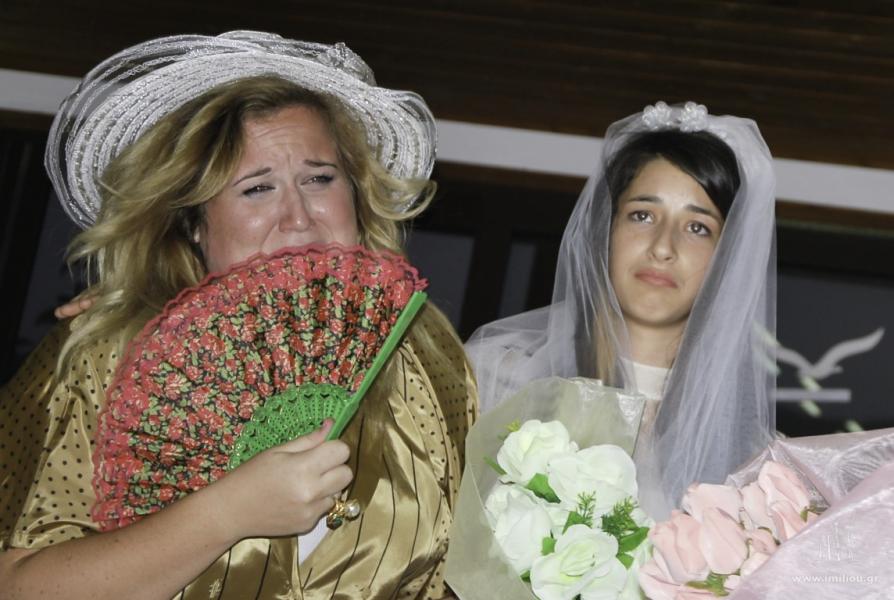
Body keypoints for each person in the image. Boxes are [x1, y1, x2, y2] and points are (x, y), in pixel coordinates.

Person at [0, 31, 477, 599]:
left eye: (319, 178)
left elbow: (455, 576)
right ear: (192, 222)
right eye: (257, 189)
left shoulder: (424, 357)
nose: (298, 216)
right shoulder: (103, 354)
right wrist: (227, 512)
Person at [466, 101, 776, 517]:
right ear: (604, 230)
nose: (663, 247)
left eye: (697, 227)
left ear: (728, 258)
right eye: (642, 215)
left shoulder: (754, 469)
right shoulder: (493, 383)